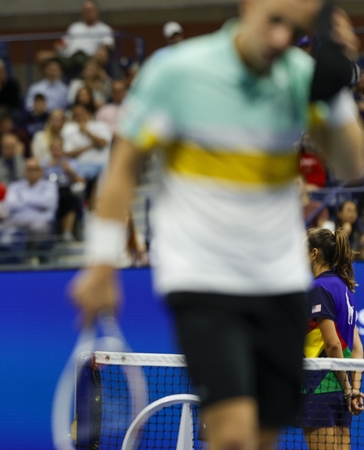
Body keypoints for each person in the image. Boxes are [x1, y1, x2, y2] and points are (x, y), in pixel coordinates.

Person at [70, 1, 364, 449]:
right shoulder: (177, 71)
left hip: (279, 279)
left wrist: (336, 85)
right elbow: (123, 165)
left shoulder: (301, 75)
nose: (283, 39)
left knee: (262, 438)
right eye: (277, 23)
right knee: (230, 436)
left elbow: (352, 162)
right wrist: (102, 263)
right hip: (203, 277)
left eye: (297, 30)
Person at [302, 228, 364, 449]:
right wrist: (353, 389)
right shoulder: (345, 289)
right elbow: (357, 349)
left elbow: (332, 344)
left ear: (314, 253)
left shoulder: (320, 288)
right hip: (338, 391)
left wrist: (348, 390)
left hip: (320, 388)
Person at [35, 1, 114, 74]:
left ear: (97, 11)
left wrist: (102, 50)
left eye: (91, 10)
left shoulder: (104, 28)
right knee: (41, 56)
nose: (88, 12)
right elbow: (63, 41)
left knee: (103, 54)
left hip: (89, 58)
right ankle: (51, 84)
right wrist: (58, 44)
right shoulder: (75, 27)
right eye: (86, 10)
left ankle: (96, 80)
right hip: (70, 58)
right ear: (82, 12)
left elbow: (108, 44)